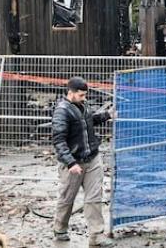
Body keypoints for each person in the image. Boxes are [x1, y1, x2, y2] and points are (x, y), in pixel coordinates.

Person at [51, 77, 114, 246]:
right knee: (67, 198)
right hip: (73, 162)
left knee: (94, 197)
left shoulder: (83, 105)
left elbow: (88, 121)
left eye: (85, 95)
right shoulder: (62, 111)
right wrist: (70, 163)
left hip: (92, 158)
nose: (84, 98)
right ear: (70, 93)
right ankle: (60, 229)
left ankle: (96, 235)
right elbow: (58, 140)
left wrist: (107, 115)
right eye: (81, 95)